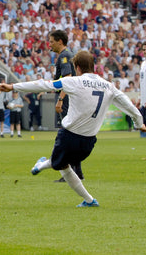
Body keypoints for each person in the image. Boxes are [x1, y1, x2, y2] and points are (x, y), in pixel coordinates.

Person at [0, 51, 145, 207]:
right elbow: (129, 105)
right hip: (89, 142)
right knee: (62, 162)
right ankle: (44, 169)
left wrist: (12, 86)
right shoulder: (109, 86)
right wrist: (139, 123)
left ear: (77, 67)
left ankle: (88, 199)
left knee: (61, 165)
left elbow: (43, 84)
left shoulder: (73, 81)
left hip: (69, 136)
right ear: (93, 66)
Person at [51, 29, 83, 181]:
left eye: (51, 41)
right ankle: (78, 172)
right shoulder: (68, 55)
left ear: (60, 42)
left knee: (68, 135)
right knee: (72, 134)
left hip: (68, 99)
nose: (49, 44)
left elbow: (68, 78)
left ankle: (71, 173)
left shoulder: (64, 56)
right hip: (70, 97)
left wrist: (61, 99)